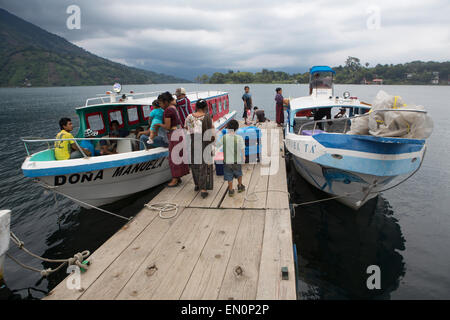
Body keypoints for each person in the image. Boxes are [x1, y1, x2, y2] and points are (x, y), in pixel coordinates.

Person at [154, 91, 189, 187]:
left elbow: (167, 126)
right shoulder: (173, 107)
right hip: (179, 132)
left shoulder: (168, 110)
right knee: (178, 156)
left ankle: (175, 179)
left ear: (165, 101)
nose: (160, 105)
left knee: (173, 158)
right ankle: (178, 177)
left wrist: (158, 125)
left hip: (174, 134)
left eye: (161, 102)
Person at [184, 99, 215, 198]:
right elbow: (211, 130)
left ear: (196, 107)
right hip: (204, 142)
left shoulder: (189, 116)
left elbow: (186, 128)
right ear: (206, 107)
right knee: (203, 165)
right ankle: (203, 189)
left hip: (193, 141)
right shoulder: (207, 117)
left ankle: (197, 184)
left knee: (194, 164)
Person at [216, 119, 245, 197]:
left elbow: (218, 145)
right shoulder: (239, 138)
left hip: (227, 161)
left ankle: (231, 190)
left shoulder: (224, 137)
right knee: (239, 173)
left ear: (227, 128)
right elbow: (242, 148)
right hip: (237, 160)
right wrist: (244, 157)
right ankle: (240, 186)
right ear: (237, 128)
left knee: (229, 176)